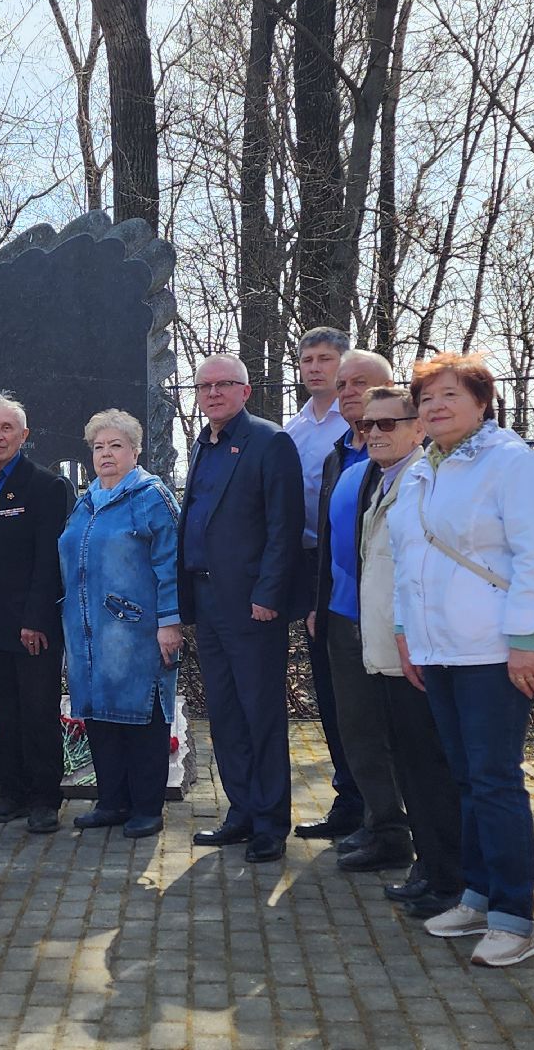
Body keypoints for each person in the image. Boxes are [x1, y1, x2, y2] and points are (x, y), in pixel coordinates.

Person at [387, 352, 534, 967]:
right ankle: (479, 894)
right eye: (427, 399)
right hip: (438, 651)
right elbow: (409, 561)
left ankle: (515, 916)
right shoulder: (421, 470)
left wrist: (522, 641)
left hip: (493, 651)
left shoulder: (511, 465)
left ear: (481, 402)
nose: (435, 407)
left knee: (495, 780)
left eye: (450, 396)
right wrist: (407, 632)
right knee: (465, 778)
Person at [177, 355, 303, 863]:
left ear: (246, 391)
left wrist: (270, 594)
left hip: (252, 606)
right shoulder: (203, 445)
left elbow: (283, 525)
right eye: (204, 386)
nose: (212, 393)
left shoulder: (270, 442)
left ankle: (271, 822)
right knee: (225, 714)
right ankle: (241, 812)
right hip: (208, 601)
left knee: (260, 714)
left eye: (223, 384)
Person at [356, 386, 462, 919]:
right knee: (409, 768)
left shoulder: (426, 482)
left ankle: (449, 878)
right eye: (366, 427)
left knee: (430, 769)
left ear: (418, 427)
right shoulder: (384, 481)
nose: (374, 433)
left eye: (387, 424)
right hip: (385, 652)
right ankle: (430, 868)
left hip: (418, 655)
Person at [309, 350, 412, 871]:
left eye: (360, 384)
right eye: (343, 383)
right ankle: (378, 823)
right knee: (356, 728)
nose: (347, 391)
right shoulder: (339, 457)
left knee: (397, 732)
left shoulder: (402, 461)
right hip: (341, 614)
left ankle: (402, 832)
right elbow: (330, 541)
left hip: (393, 619)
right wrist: (318, 603)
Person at [59, 410, 182, 840]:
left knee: (143, 716)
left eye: (115, 445)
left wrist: (170, 622)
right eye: (98, 447)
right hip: (87, 633)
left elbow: (171, 564)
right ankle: (112, 800)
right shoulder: (86, 500)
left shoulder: (152, 497)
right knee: (100, 715)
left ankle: (147, 806)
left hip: (138, 631)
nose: (106, 454)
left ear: (135, 450)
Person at [0, 391, 72, 835]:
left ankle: (46, 797)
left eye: (8, 428)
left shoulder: (46, 486)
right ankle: (11, 791)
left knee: (38, 710)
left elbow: (50, 560)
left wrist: (37, 619)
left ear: (24, 435)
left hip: (32, 626)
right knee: (1, 709)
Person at [283, 328, 362, 843]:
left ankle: (379, 804)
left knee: (363, 694)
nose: (315, 368)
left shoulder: (358, 423)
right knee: (330, 692)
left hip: (354, 562)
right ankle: (348, 799)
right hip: (310, 562)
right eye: (307, 359)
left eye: (325, 359)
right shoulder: (293, 430)